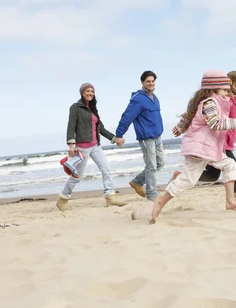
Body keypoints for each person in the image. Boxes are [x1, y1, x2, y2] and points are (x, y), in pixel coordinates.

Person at [149, 69, 236, 224]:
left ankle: (230, 202)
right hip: (199, 149)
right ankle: (160, 202)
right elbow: (215, 123)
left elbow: (189, 115)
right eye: (224, 90)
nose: (227, 93)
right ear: (213, 89)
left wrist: (180, 127)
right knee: (188, 180)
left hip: (208, 148)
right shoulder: (210, 103)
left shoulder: (214, 101)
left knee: (230, 164)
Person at [56, 83, 126, 211]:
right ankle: (63, 198)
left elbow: (101, 128)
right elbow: (71, 126)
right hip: (82, 148)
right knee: (77, 176)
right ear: (82, 92)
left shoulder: (93, 109)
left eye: (92, 91)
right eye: (87, 91)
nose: (90, 93)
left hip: (95, 146)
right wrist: (71, 145)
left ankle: (110, 197)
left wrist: (115, 139)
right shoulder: (76, 107)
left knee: (106, 169)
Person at [186, 70, 236, 197]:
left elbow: (234, 125)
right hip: (221, 144)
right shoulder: (228, 102)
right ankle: (233, 199)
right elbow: (223, 122)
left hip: (222, 143)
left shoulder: (232, 102)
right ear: (235, 86)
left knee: (212, 175)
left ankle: (182, 176)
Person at [114, 71, 165, 201]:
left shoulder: (155, 98)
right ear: (142, 82)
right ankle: (152, 194)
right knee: (151, 166)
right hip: (146, 138)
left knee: (160, 163)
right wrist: (119, 134)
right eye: (148, 81)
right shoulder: (138, 99)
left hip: (157, 137)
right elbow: (127, 117)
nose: (151, 83)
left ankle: (137, 182)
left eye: (153, 81)